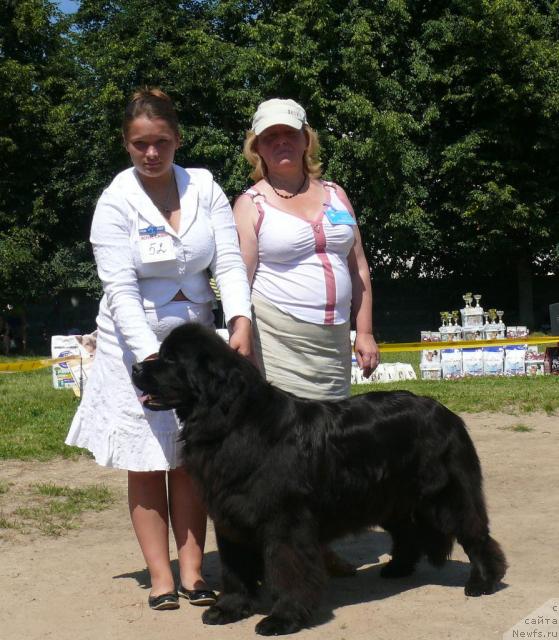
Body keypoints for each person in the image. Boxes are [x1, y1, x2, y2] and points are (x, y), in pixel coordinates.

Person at [66, 88, 252, 611]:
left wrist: (239, 320)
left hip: (195, 337)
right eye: (140, 144)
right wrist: (151, 358)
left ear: (177, 139)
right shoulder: (114, 201)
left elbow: (230, 263)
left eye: (161, 142)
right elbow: (121, 290)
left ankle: (194, 572)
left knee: (191, 458)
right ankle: (160, 577)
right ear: (126, 145)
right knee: (147, 460)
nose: (151, 154)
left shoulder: (206, 187)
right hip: (135, 343)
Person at [233, 98, 380, 576]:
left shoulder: (336, 193)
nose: (281, 142)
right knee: (287, 451)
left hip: (334, 339)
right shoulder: (250, 204)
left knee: (329, 447)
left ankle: (321, 540)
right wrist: (244, 341)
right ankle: (285, 549)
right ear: (257, 146)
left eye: (289, 134)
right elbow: (241, 280)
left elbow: (358, 267)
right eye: (270, 137)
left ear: (305, 139)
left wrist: (364, 330)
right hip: (279, 336)